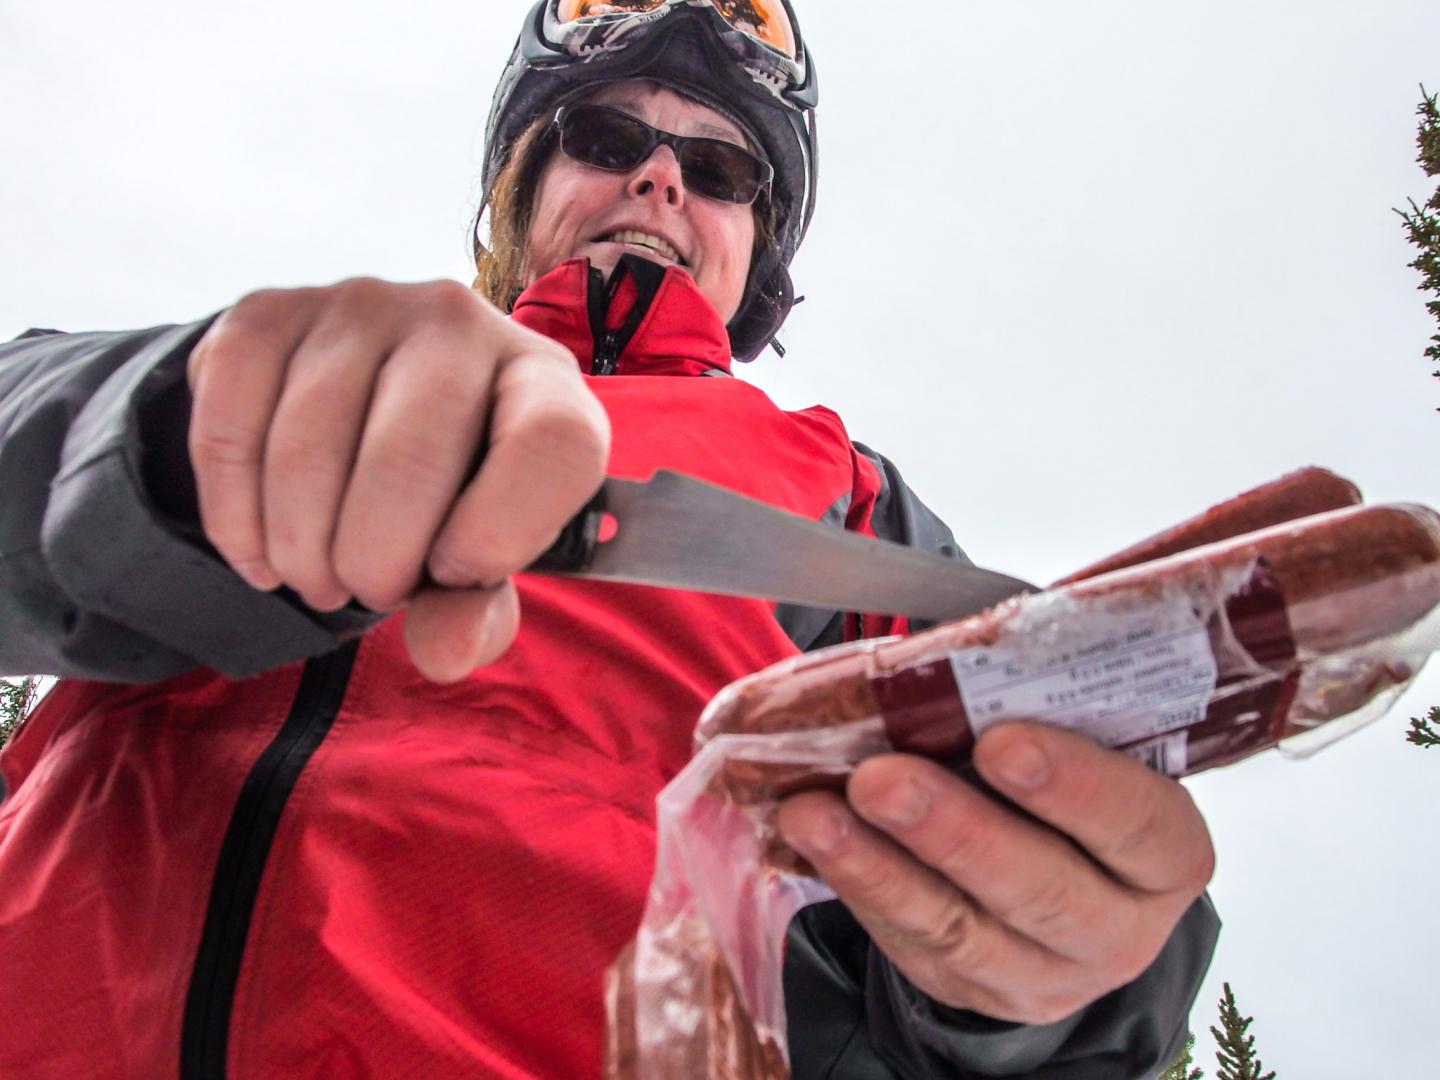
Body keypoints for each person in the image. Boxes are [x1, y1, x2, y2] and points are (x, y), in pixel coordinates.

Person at [0, 1, 1218, 1076]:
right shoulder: (306, 365)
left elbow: (1051, 940)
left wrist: (1064, 980)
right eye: (605, 138)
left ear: (755, 248)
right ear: (523, 184)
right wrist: (165, 439)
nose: (660, 180)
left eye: (721, 168)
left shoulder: (852, 507)